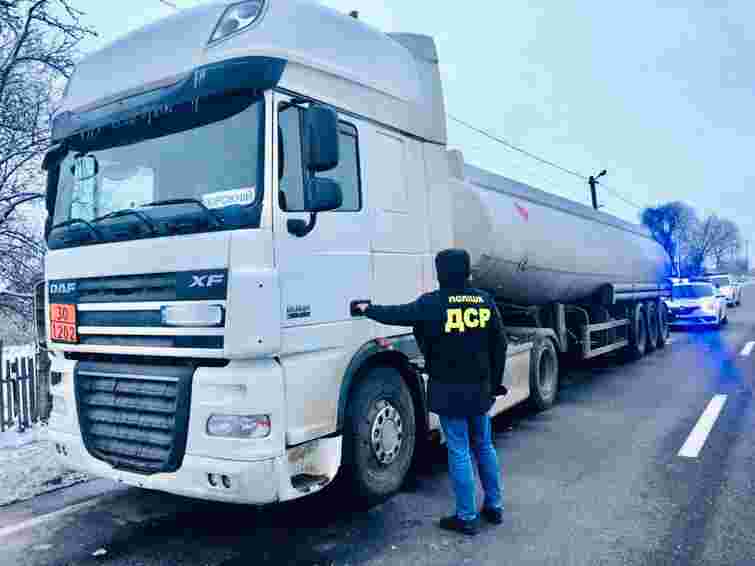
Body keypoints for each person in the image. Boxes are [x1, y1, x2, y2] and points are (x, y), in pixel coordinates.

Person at [353, 248, 507, 535]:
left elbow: (397, 314)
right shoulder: (484, 301)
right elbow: (500, 344)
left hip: (450, 389)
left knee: (459, 449)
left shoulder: (432, 303)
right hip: (480, 389)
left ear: (440, 273)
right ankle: (494, 506)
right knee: (484, 445)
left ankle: (466, 517)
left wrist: (367, 309)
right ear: (467, 271)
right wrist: (494, 384)